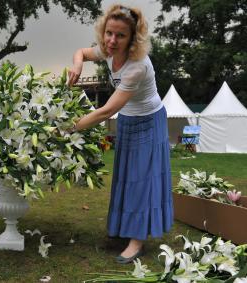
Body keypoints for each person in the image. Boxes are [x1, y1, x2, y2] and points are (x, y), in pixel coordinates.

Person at [68, 4, 173, 263]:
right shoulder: (107, 50)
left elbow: (107, 110)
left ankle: (136, 242)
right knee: (126, 178)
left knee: (142, 180)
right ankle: (122, 231)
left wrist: (70, 127)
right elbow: (81, 51)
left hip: (149, 122)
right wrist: (78, 64)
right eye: (109, 33)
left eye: (120, 35)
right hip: (128, 120)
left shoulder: (137, 66)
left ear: (132, 39)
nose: (112, 41)